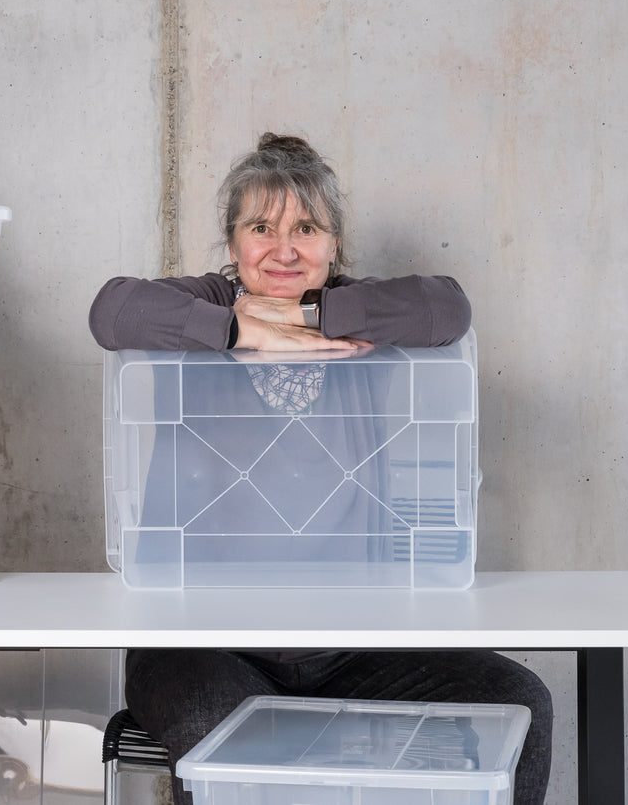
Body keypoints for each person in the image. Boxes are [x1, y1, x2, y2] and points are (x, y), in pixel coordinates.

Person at [88, 133, 553, 805]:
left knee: (520, 702)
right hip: (199, 645)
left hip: (350, 648)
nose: (284, 248)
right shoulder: (207, 304)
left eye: (306, 227)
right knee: (233, 746)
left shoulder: (354, 310)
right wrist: (239, 329)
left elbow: (449, 307)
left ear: (334, 245)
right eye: (261, 227)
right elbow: (112, 309)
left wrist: (306, 314)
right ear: (234, 243)